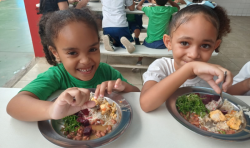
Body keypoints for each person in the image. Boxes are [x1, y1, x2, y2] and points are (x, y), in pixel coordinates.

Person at [7, 8, 139, 121]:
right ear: (55, 52)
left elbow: (137, 94)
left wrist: (125, 87)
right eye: (72, 53)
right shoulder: (57, 76)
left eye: (92, 49)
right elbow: (14, 105)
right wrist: (51, 110)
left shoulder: (107, 72)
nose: (85, 60)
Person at [140, 2, 232, 112]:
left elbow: (221, 104)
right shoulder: (161, 67)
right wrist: (189, 69)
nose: (193, 55)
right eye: (184, 43)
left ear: (215, 46)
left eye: (205, 45)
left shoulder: (214, 76)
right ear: (168, 42)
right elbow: (146, 105)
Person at [133, 0, 179, 73]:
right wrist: (170, 1)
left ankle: (139, 61)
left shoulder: (150, 9)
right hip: (164, 44)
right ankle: (173, 64)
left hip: (149, 42)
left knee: (144, 42)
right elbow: (177, 7)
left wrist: (142, 0)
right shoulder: (169, 10)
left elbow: (138, 6)